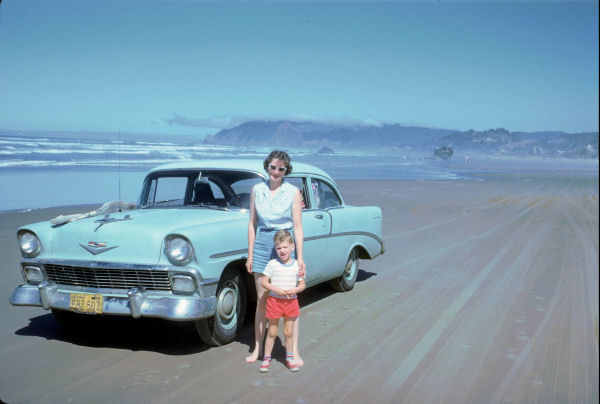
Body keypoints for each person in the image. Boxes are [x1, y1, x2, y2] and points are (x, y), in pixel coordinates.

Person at [245, 150, 306, 366]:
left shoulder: (292, 192)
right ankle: (258, 349)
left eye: (281, 168)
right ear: (266, 167)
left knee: (290, 298)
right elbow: (252, 224)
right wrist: (250, 253)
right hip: (262, 243)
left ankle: (294, 351)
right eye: (272, 167)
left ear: (286, 171)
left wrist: (300, 257)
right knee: (262, 300)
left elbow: (298, 227)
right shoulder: (256, 190)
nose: (276, 172)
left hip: (285, 244)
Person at [259, 230, 305, 372]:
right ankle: (266, 359)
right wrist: (276, 290)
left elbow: (302, 285)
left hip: (291, 302)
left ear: (292, 247)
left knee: (288, 332)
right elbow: (264, 282)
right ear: (275, 249)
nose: (282, 251)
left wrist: (295, 290)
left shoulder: (298, 265)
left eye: (285, 247)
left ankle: (290, 359)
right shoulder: (272, 264)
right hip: (274, 301)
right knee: (272, 331)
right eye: (278, 248)